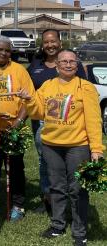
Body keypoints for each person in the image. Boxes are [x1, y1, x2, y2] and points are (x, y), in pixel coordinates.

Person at [18, 49, 104, 246]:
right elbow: (39, 113)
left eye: (72, 61)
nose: (67, 64)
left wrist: (96, 149)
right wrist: (29, 100)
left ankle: (80, 231)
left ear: (77, 65)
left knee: (77, 189)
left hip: (78, 146)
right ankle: (57, 225)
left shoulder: (86, 87)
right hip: (51, 145)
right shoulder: (47, 86)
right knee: (56, 187)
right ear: (56, 65)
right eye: (63, 61)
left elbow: (93, 120)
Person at [27, 29, 87, 215]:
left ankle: (71, 201)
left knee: (70, 166)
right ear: (42, 44)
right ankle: (48, 199)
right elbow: (31, 96)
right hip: (42, 124)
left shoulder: (71, 64)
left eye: (54, 41)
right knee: (44, 163)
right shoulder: (35, 65)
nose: (50, 45)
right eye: (46, 42)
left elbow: (84, 95)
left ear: (60, 42)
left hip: (70, 124)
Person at [0, 35, 35, 222]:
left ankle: (18, 206)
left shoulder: (19, 70)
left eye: (7, 50)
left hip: (13, 129)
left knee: (16, 169)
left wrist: (17, 123)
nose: (3, 53)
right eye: (0, 49)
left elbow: (29, 101)